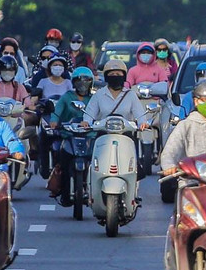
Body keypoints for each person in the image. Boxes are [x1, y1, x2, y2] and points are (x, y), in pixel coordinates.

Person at [48, 67, 96, 205]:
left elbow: (100, 113)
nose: (83, 84)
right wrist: (54, 121)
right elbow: (57, 111)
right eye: (79, 81)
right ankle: (63, 191)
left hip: (89, 135)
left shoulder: (94, 99)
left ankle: (92, 189)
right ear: (73, 82)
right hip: (69, 135)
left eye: (86, 81)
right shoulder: (67, 97)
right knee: (62, 159)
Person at [83, 59, 150, 130]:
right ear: (106, 77)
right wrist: (86, 122)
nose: (115, 76)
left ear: (124, 76)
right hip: (104, 136)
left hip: (126, 135)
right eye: (112, 74)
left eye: (118, 74)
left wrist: (143, 123)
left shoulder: (131, 95)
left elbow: (140, 115)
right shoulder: (99, 94)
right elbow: (90, 113)